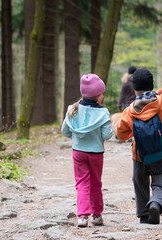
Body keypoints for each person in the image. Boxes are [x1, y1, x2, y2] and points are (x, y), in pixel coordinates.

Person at [116, 68, 162, 224]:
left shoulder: (130, 110)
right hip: (161, 152)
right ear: (151, 84)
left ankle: (144, 215)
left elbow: (121, 134)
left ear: (134, 88)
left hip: (139, 154)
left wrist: (131, 133)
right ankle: (156, 203)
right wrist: (159, 92)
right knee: (160, 180)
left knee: (140, 181)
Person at [61, 73, 113, 227]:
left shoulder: (72, 109)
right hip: (96, 153)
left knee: (82, 184)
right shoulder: (103, 113)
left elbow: (65, 131)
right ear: (98, 96)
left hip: (78, 152)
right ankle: (97, 216)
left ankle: (82, 217)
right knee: (95, 184)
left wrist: (77, 138)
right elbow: (107, 135)